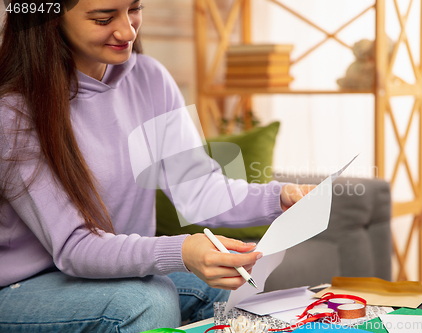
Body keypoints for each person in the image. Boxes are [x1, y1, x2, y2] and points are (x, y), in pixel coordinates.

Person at [0, 0, 314, 332]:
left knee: (232, 286)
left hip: (109, 276)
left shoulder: (149, 77)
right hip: (23, 287)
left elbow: (199, 189)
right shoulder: (13, 113)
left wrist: (278, 199)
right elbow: (76, 247)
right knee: (148, 301)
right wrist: (182, 250)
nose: (127, 30)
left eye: (134, 9)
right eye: (104, 18)